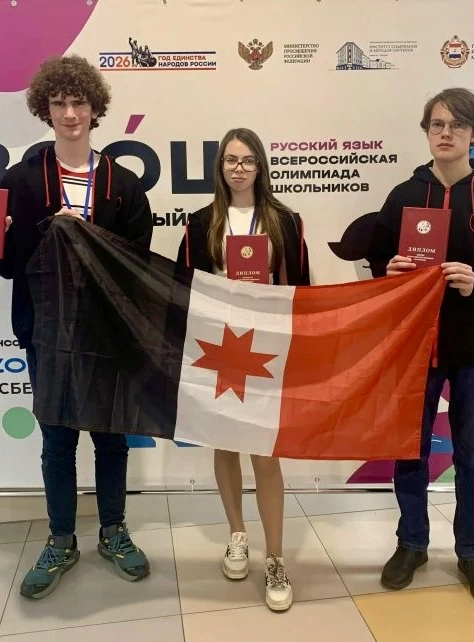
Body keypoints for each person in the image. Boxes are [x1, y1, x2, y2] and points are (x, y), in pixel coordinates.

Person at [0, 55, 153, 599]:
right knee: (58, 440)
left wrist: (87, 237)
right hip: (46, 332)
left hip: (107, 333)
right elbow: (9, 265)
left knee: (110, 437)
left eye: (78, 102)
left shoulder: (124, 185)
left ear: (95, 107)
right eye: (59, 103)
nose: (70, 113)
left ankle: (113, 531)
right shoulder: (21, 180)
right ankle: (61, 539)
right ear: (45, 109)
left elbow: (136, 270)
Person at [366, 87, 474, 608]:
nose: (446, 133)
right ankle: (411, 544)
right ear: (427, 131)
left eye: (457, 125)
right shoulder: (403, 196)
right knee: (410, 451)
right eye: (437, 124)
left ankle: (473, 552)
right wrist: (389, 271)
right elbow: (377, 268)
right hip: (415, 350)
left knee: (472, 457)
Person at [176, 127, 310, 612]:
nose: (239, 168)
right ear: (220, 167)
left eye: (248, 160)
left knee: (265, 453)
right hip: (219, 347)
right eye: (231, 160)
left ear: (260, 167)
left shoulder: (285, 221)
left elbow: (301, 289)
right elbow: (184, 288)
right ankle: (237, 534)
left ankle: (275, 557)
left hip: (268, 348)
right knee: (226, 444)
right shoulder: (200, 223)